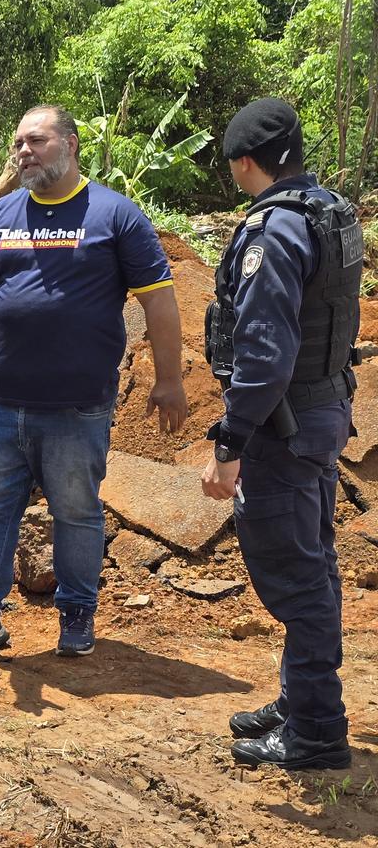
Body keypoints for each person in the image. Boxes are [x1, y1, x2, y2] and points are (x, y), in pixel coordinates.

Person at [0, 104, 188, 658]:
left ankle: (76, 616)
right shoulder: (0, 215)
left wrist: (168, 379)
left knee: (76, 512)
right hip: (0, 402)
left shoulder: (115, 215)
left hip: (76, 406)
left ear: (70, 144)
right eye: (18, 143)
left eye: (36, 141)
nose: (24, 152)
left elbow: (159, 301)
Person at [202, 98, 362, 770]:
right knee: (315, 562)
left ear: (245, 163)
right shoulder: (331, 213)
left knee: (297, 580)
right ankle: (304, 700)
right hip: (323, 411)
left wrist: (230, 444)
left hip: (283, 426)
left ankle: (318, 732)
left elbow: (263, 357)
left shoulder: (273, 234)